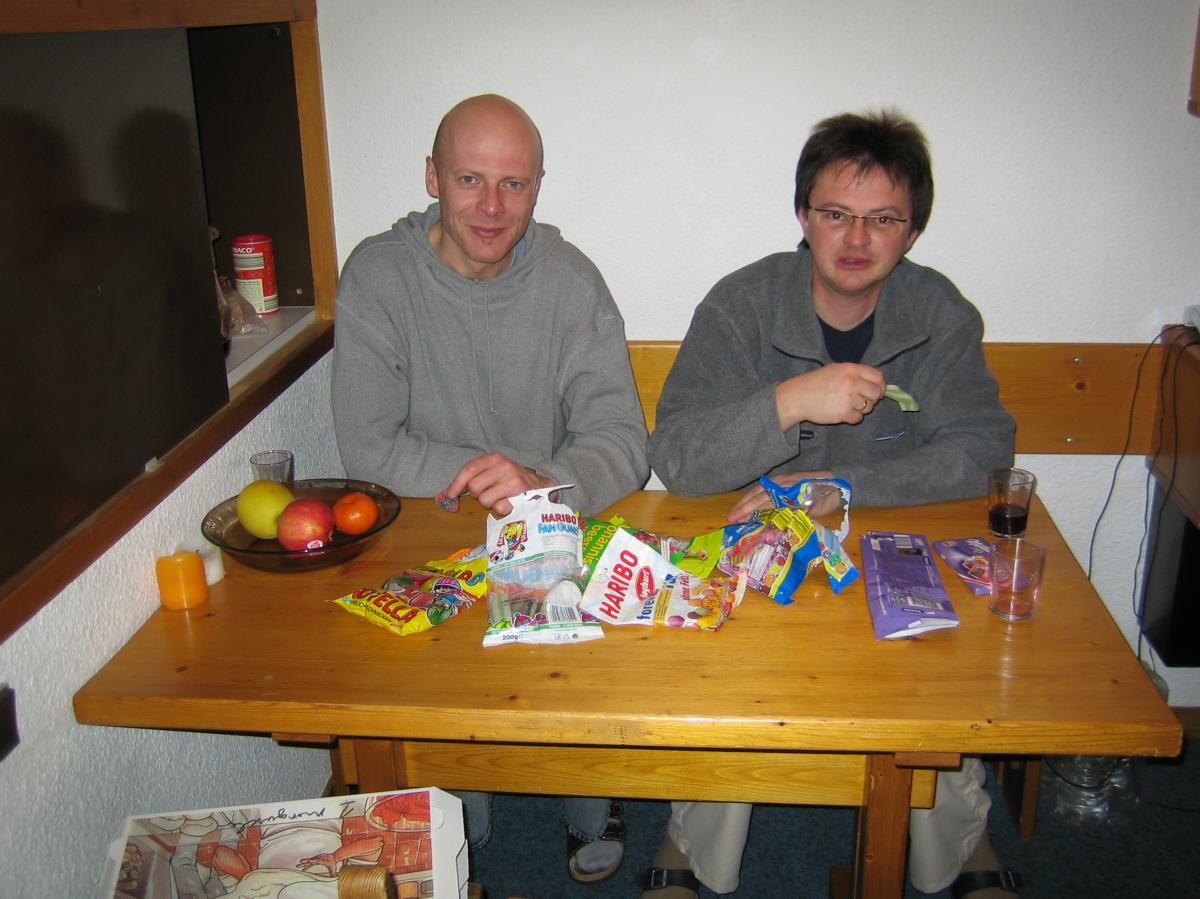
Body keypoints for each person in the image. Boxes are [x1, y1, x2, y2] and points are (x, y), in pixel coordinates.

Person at [644, 111, 1018, 899]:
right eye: (836, 213)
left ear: (912, 231)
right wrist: (790, 401)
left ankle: (959, 840)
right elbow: (676, 458)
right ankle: (693, 839)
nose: (856, 238)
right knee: (725, 661)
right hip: (757, 556)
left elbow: (984, 449)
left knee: (938, 661)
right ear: (803, 216)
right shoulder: (741, 304)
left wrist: (839, 487)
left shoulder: (940, 313)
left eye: (883, 219)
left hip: (889, 547)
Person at [331, 94, 650, 883]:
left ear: (538, 186)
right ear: (432, 177)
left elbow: (624, 440)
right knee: (448, 797)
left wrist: (541, 487)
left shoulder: (572, 281)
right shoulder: (378, 274)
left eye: (514, 183)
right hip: (428, 527)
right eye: (469, 179)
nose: (492, 207)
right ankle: (454, 801)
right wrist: (489, 477)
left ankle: (587, 789)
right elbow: (367, 444)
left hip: (551, 522)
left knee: (577, 617)